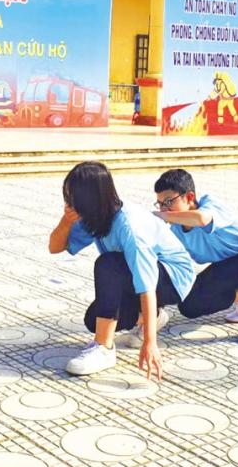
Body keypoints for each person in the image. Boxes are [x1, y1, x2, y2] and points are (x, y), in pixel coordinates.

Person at [49, 162, 195, 379]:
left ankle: (104, 349)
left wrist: (150, 342)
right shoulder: (97, 216)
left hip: (173, 278)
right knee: (93, 320)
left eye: (73, 198)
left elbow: (146, 283)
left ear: (90, 198)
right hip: (143, 276)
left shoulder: (129, 226)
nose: (69, 203)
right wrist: (66, 219)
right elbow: (55, 247)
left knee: (108, 264)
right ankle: (153, 317)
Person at [152, 169, 238, 350]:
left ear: (189, 197)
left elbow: (203, 219)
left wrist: (160, 216)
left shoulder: (211, 204)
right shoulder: (176, 233)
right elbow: (169, 265)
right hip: (230, 267)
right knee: (189, 305)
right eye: (159, 204)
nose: (163, 209)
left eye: (168, 203)